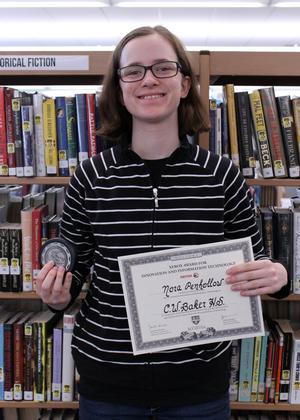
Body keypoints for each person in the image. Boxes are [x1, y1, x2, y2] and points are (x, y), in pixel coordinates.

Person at [36, 25, 288, 420]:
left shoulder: (221, 176)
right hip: (109, 387)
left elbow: (255, 265)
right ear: (119, 88)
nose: (149, 79)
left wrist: (277, 277)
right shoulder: (90, 177)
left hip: (198, 390)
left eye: (162, 68)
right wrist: (54, 294)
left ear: (185, 83)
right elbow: (73, 270)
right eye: (133, 70)